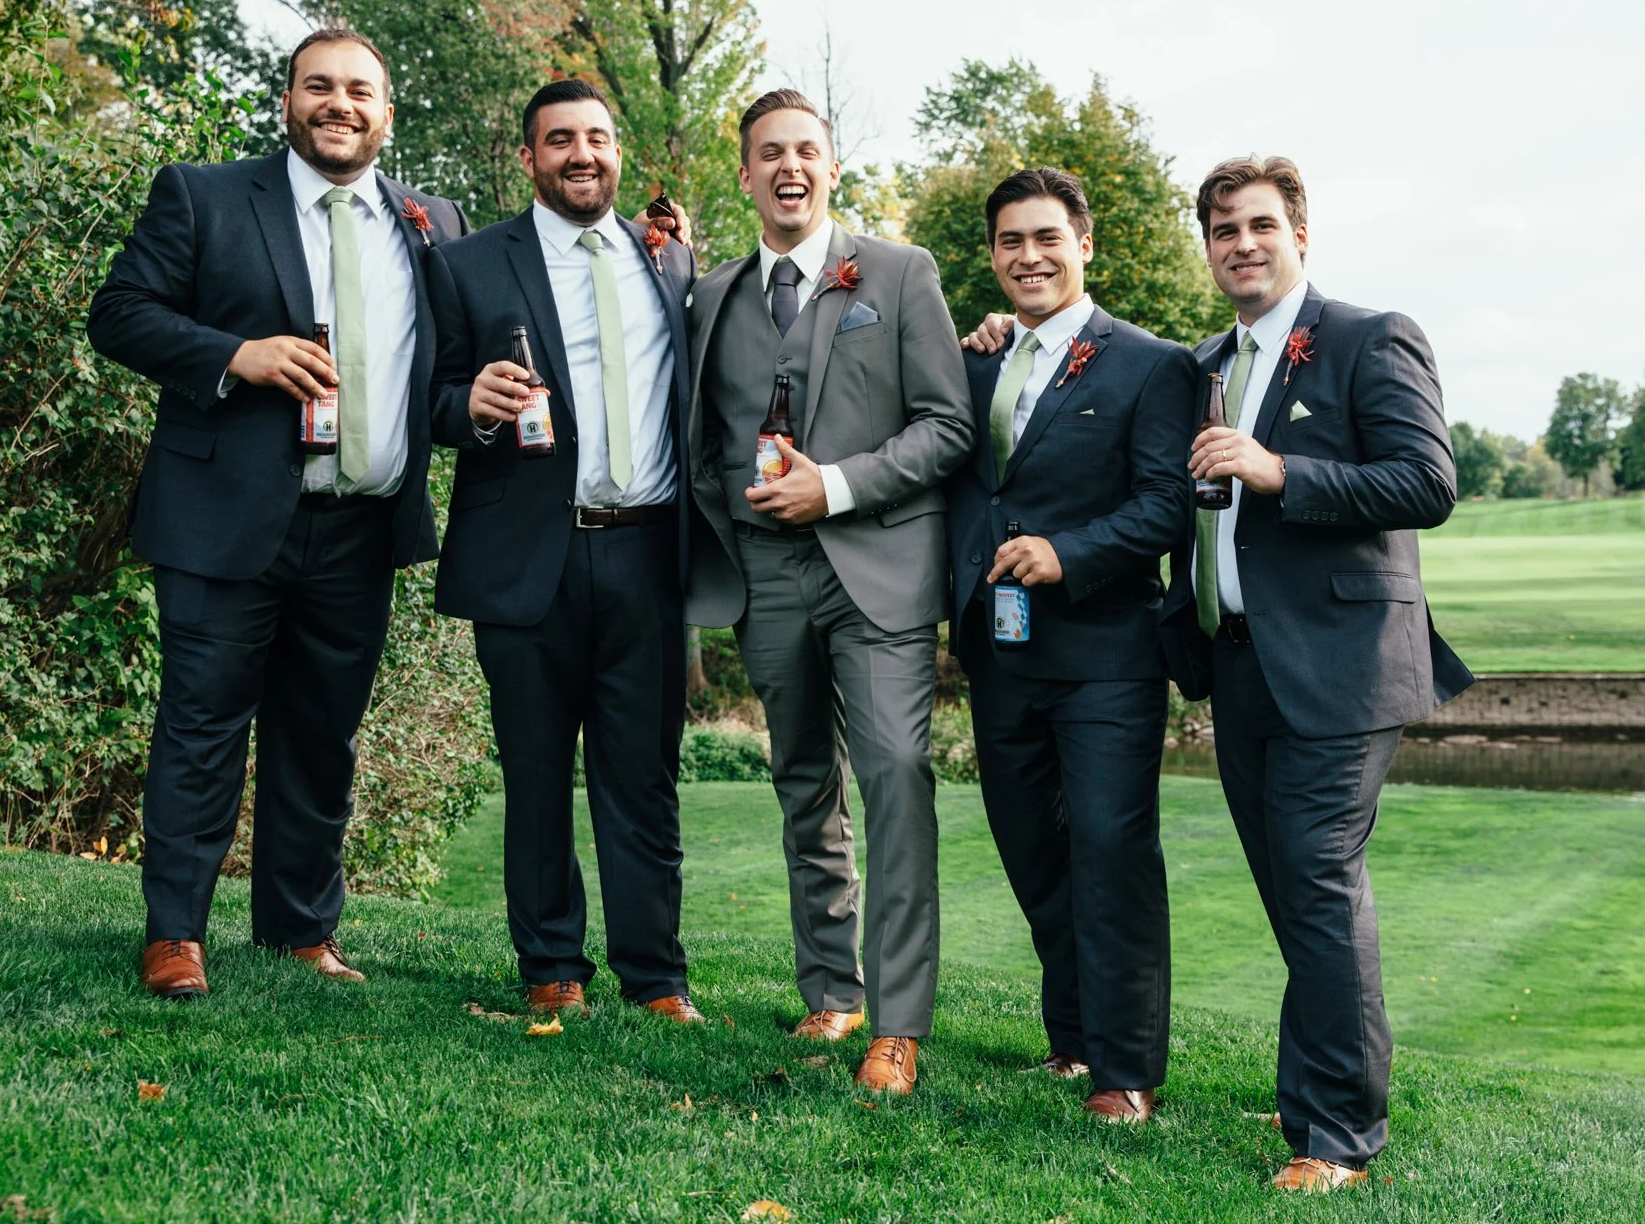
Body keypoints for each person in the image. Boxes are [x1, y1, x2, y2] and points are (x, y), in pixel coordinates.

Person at [89, 28, 466, 1000]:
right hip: (225, 519)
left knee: (321, 734)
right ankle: (175, 932)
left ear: (387, 112)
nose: (339, 104)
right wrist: (235, 355)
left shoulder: (432, 221)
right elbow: (119, 312)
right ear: (288, 99)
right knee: (201, 727)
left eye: (359, 91)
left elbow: (436, 379)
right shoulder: (204, 195)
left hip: (361, 527)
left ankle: (300, 930)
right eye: (319, 86)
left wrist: (480, 405)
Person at [1169, 155, 1474, 1192]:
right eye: (1221, 229)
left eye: (1259, 224)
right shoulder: (1207, 360)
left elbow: (1426, 480)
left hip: (1340, 667)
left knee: (1315, 876)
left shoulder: (1366, 336)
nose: (1240, 243)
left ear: (1300, 232)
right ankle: (1310, 1090)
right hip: (1239, 662)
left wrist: (1277, 470)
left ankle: (1338, 1133)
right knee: (1290, 891)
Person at [685, 89, 972, 1094]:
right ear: (745, 172)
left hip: (877, 570)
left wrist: (837, 485)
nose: (788, 168)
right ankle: (829, 988)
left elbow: (947, 425)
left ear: (832, 165)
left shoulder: (898, 274)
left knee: (894, 773)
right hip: (764, 577)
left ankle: (895, 1025)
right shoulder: (712, 295)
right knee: (802, 781)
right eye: (769, 153)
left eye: (806, 150)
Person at [427, 80, 704, 1023]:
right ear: (528, 158)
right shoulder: (467, 264)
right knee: (537, 777)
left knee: (644, 780)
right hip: (528, 558)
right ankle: (551, 962)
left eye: (596, 138)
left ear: (616, 150)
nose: (581, 155)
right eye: (559, 141)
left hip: (649, 554)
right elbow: (424, 396)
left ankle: (656, 975)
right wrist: (466, 405)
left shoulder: (670, 263)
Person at [945, 168, 1196, 1124]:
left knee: (1110, 848)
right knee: (1031, 849)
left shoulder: (1149, 362)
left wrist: (1070, 554)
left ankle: (1125, 1073)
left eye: (1046, 238)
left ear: (1084, 245)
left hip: (1105, 653)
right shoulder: (979, 359)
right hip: (998, 652)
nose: (1028, 256)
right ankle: (1073, 1038)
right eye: (1010, 241)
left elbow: (1167, 505)